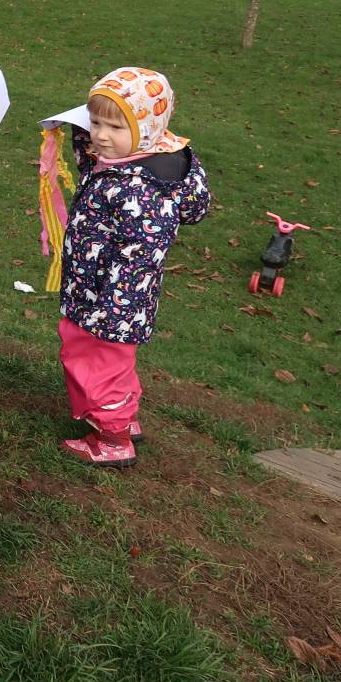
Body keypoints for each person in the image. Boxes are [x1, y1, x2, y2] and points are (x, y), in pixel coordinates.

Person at [57, 67, 210, 467]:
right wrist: (80, 130)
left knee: (96, 363)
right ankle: (122, 418)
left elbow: (141, 253)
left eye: (114, 127)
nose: (100, 136)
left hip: (111, 298)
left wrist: (112, 306)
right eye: (95, 123)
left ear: (146, 128)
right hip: (97, 287)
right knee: (113, 363)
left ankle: (112, 439)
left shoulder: (142, 188)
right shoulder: (130, 158)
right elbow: (92, 164)